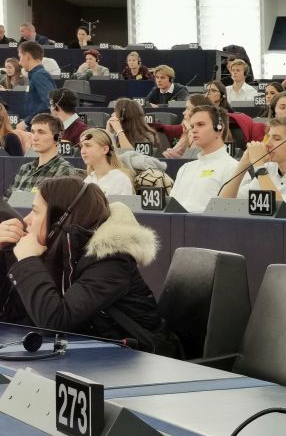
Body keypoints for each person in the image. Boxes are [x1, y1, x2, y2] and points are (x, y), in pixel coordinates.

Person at [0, 178, 171, 352]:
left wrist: (27, 260)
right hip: (93, 354)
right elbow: (13, 314)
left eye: (35, 211)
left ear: (60, 219)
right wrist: (5, 251)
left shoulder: (111, 260)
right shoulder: (55, 250)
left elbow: (55, 321)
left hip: (143, 357)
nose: (26, 219)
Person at [220, 116, 286, 217]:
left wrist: (259, 166)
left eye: (276, 139)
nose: (267, 143)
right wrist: (243, 164)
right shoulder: (269, 167)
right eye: (268, 137)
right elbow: (223, 204)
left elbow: (282, 210)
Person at [168, 106, 237, 213]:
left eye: (200, 125)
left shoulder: (234, 168)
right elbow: (170, 207)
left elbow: (232, 212)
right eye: (192, 126)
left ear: (219, 128)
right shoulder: (185, 168)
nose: (194, 130)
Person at [7, 114, 77, 196]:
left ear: (57, 137)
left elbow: (61, 203)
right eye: (33, 132)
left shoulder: (64, 170)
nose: (34, 138)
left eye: (41, 132)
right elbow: (7, 199)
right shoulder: (25, 168)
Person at [80, 129, 135, 196]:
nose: (82, 151)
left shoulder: (120, 179)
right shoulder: (89, 179)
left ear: (105, 149)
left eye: (88, 145)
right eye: (81, 146)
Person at [17, 41, 55, 123]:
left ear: (27, 56)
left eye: (20, 57)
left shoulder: (39, 75)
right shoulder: (36, 75)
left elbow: (49, 103)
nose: (19, 63)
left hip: (39, 124)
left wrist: (26, 122)